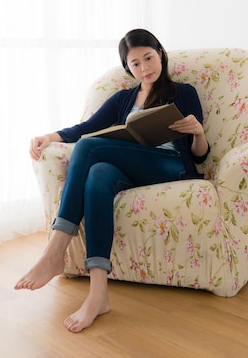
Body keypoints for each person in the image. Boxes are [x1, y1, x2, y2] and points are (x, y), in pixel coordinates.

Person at [14, 28, 210, 333]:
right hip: (135, 170)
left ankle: (55, 251)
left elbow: (199, 156)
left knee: (89, 148)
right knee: (98, 173)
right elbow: (86, 127)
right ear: (128, 68)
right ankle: (98, 293)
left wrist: (197, 132)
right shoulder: (123, 99)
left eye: (149, 57)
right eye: (135, 63)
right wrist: (48, 137)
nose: (145, 67)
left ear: (161, 54)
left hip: (173, 168)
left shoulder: (184, 93)